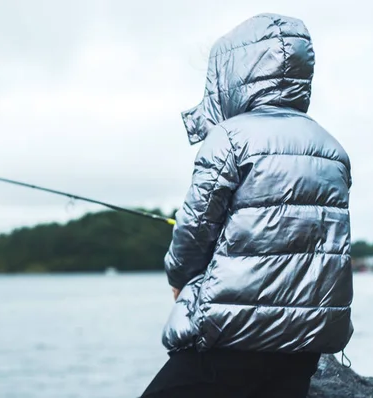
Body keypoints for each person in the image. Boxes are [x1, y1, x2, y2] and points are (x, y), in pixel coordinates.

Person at [140, 13, 353, 398]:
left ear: (233, 75)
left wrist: (178, 278)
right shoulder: (332, 148)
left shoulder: (229, 138)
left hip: (234, 332)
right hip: (306, 338)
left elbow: (195, 227)